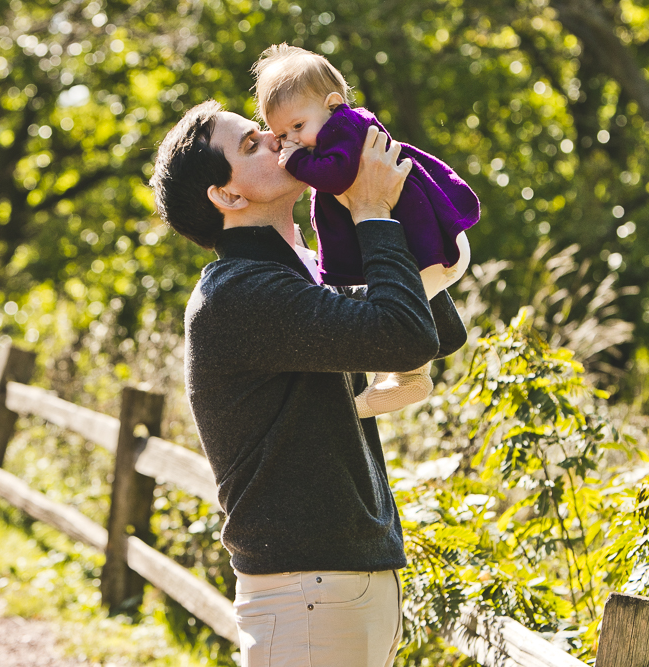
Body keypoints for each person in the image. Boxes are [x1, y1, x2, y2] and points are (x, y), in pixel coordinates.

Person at [149, 100, 466, 666]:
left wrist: (364, 207)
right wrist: (371, 210)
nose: (276, 140)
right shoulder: (239, 294)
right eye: (252, 145)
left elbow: (438, 329)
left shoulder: (302, 273)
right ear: (228, 196)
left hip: (341, 584)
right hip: (307, 593)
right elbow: (403, 336)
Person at [252, 44, 480, 419]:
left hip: (428, 249)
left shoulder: (346, 128)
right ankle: (404, 374)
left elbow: (336, 175)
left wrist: (295, 161)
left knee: (395, 313)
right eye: (281, 134)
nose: (290, 141)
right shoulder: (332, 132)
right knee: (396, 301)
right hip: (419, 248)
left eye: (297, 127)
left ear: (332, 103)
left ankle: (406, 375)